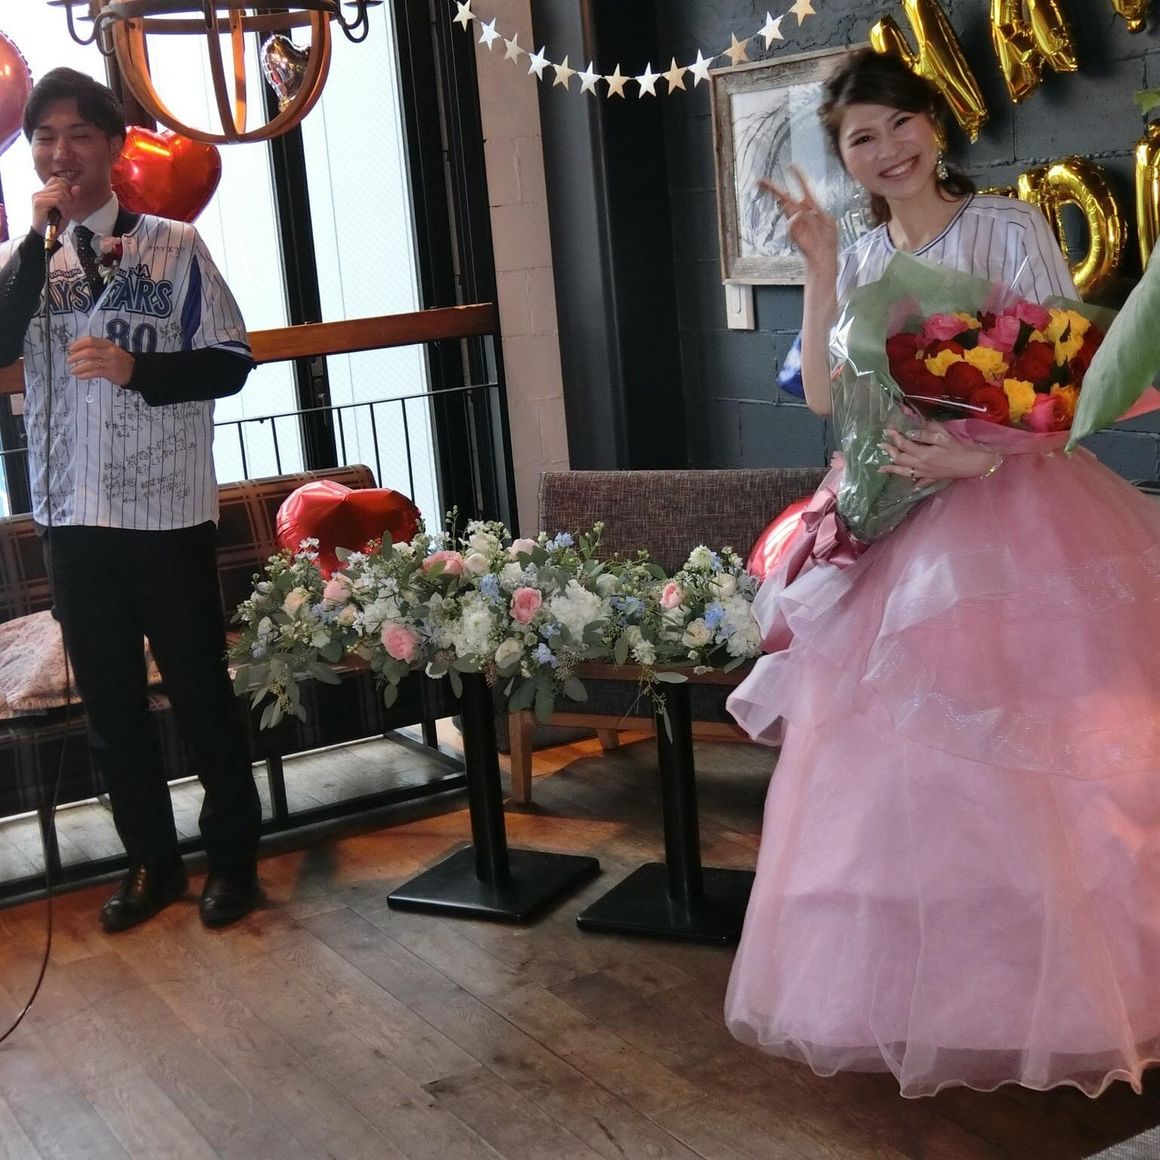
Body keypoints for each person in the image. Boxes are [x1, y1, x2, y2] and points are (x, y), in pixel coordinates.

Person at [724, 47, 1160, 1097]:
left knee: (1035, 761)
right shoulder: (865, 254)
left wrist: (980, 459)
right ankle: (924, 1000)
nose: (888, 150)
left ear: (935, 123)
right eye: (860, 139)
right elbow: (825, 399)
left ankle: (1077, 992)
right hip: (895, 522)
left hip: (1014, 513)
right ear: (845, 158)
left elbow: (1067, 380)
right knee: (894, 778)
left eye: (899, 124)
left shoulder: (1007, 225)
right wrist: (820, 264)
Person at [0, 68, 263, 932]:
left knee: (201, 695)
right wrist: (31, 243)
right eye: (44, 136)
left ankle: (234, 860)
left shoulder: (173, 246)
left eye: (79, 134)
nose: (60, 152)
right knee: (111, 709)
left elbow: (231, 360)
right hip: (72, 519)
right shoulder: (25, 261)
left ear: (114, 146)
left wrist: (136, 368)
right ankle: (152, 862)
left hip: (165, 515)